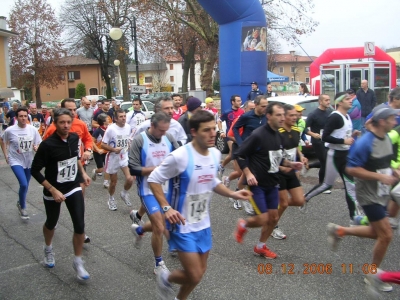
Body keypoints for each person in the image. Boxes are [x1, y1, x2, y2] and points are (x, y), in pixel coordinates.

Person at [147, 110, 251, 300]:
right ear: (193, 132)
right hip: (181, 224)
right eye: (206, 130)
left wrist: (232, 193)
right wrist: (166, 208)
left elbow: (212, 181)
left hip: (203, 223)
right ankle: (166, 277)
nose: (213, 134)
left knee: (198, 274)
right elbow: (153, 179)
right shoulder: (179, 156)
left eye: (214, 129)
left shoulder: (214, 153)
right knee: (194, 274)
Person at [327, 103, 398, 293]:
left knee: (377, 233)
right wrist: (381, 176)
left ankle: (340, 231)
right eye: (392, 119)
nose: (395, 121)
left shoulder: (386, 139)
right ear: (382, 121)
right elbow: (351, 169)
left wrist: (393, 171)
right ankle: (372, 274)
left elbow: (383, 162)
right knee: (386, 234)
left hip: (381, 192)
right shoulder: (365, 142)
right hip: (368, 194)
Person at [234, 102, 303, 259]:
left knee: (273, 218)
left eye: (283, 115)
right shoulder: (258, 135)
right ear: (269, 116)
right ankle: (243, 224)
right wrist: (248, 174)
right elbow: (240, 154)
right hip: (257, 183)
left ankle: (260, 246)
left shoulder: (278, 135)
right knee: (263, 218)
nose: (282, 118)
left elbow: (277, 159)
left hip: (273, 182)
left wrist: (291, 163)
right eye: (278, 115)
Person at [30, 108, 91, 281]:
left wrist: (83, 173)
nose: (65, 125)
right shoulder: (47, 145)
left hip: (72, 186)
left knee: (79, 224)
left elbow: (75, 159)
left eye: (68, 122)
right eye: (62, 122)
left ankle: (78, 261)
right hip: (53, 188)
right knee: (51, 222)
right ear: (55, 124)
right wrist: (52, 190)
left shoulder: (74, 138)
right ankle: (48, 248)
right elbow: (35, 171)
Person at [128, 112, 179, 274]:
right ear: (152, 126)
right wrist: (158, 169)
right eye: (161, 131)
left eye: (166, 130)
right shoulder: (140, 140)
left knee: (163, 223)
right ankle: (159, 263)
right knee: (159, 226)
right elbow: (133, 168)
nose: (164, 134)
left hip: (168, 189)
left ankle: (140, 230)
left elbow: (181, 157)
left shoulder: (169, 138)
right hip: (147, 190)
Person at [300, 93, 362, 225]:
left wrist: (352, 134)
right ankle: (305, 198)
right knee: (326, 185)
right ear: (339, 102)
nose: (350, 101)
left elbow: (342, 133)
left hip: (345, 155)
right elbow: (325, 137)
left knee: (350, 186)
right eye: (347, 99)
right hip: (334, 154)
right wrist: (344, 140)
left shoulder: (346, 117)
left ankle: (353, 218)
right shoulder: (335, 117)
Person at [269, 104, 308, 240]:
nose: (295, 117)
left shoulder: (296, 130)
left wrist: (301, 156)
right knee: (284, 203)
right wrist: (281, 167)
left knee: (299, 200)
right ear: (284, 117)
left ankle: (273, 207)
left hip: (291, 170)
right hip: (279, 171)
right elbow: (271, 157)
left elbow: (295, 146)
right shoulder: (277, 133)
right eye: (291, 115)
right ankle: (273, 225)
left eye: (295, 115)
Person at [225, 95, 268, 209]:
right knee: (244, 174)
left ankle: (241, 195)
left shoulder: (266, 117)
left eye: (266, 106)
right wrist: (240, 142)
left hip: (259, 151)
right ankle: (239, 196)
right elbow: (234, 129)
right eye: (263, 106)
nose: (265, 108)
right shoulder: (246, 116)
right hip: (245, 149)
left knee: (247, 175)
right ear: (256, 105)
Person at [0, 107, 42, 219]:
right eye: (20, 116)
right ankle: (23, 207)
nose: (23, 118)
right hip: (15, 160)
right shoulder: (10, 130)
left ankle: (20, 202)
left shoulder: (32, 129)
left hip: (28, 161)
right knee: (23, 184)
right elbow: (2, 140)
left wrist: (36, 147)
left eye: (25, 116)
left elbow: (38, 143)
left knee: (26, 185)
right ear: (16, 118)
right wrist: (6, 155)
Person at [101, 109, 134, 211]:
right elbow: (103, 144)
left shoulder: (128, 127)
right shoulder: (111, 129)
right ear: (115, 118)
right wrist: (113, 149)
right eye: (121, 116)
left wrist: (128, 145)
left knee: (130, 178)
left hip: (124, 156)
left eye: (124, 116)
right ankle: (111, 198)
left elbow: (127, 139)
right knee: (113, 182)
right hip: (113, 157)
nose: (124, 118)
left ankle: (124, 193)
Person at [305, 94, 333, 186]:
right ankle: (322, 185)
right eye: (326, 100)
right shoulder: (313, 114)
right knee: (325, 162)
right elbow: (304, 128)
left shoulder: (330, 111)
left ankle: (310, 165)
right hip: (318, 142)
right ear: (320, 102)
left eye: (329, 100)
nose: (328, 102)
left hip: (328, 141)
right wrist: (313, 134)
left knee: (327, 162)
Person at [218, 95, 245, 177]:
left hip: (240, 136)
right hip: (230, 136)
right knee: (235, 153)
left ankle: (221, 166)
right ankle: (238, 173)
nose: (240, 102)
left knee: (230, 155)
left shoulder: (242, 111)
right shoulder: (227, 112)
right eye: (238, 101)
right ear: (233, 102)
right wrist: (221, 131)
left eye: (240, 100)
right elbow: (219, 121)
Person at [91, 113, 110, 187]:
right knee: (100, 169)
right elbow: (92, 141)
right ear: (103, 121)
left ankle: (106, 182)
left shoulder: (109, 129)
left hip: (107, 152)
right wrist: (98, 149)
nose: (109, 120)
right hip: (98, 152)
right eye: (107, 119)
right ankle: (95, 171)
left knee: (107, 167)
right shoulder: (98, 131)